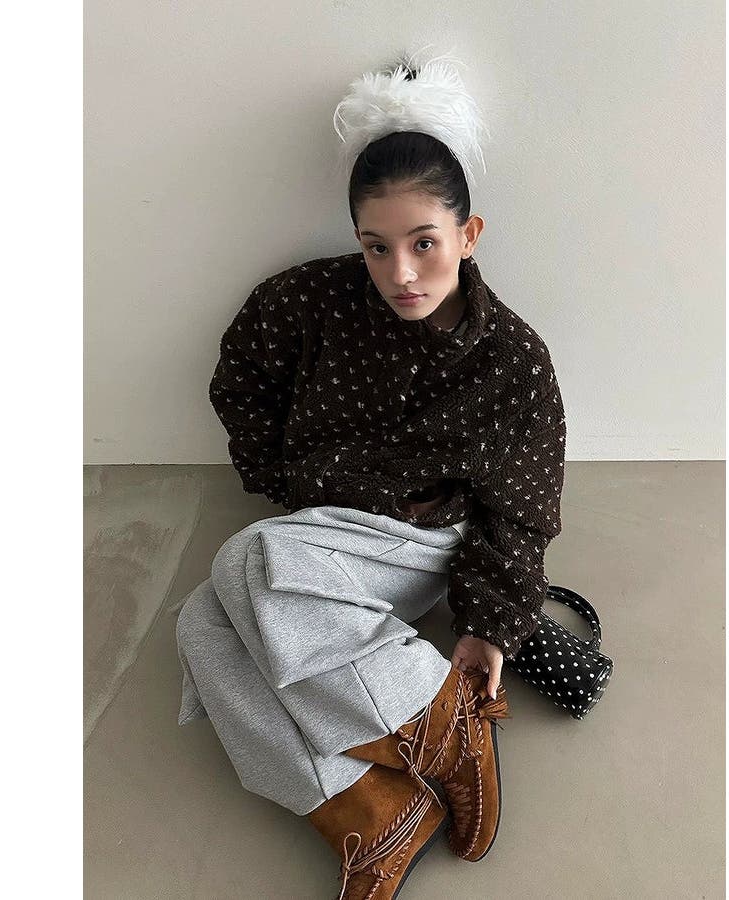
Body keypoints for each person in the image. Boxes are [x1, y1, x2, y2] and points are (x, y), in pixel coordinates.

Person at [175, 50, 566, 899]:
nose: (401, 274)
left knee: (245, 559)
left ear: (468, 235)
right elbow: (240, 379)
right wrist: (286, 480)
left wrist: (488, 626)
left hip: (422, 540)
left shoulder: (513, 360)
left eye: (425, 244)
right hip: (322, 531)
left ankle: (439, 722)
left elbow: (522, 507)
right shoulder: (307, 302)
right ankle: (369, 810)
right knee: (202, 625)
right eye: (376, 247)